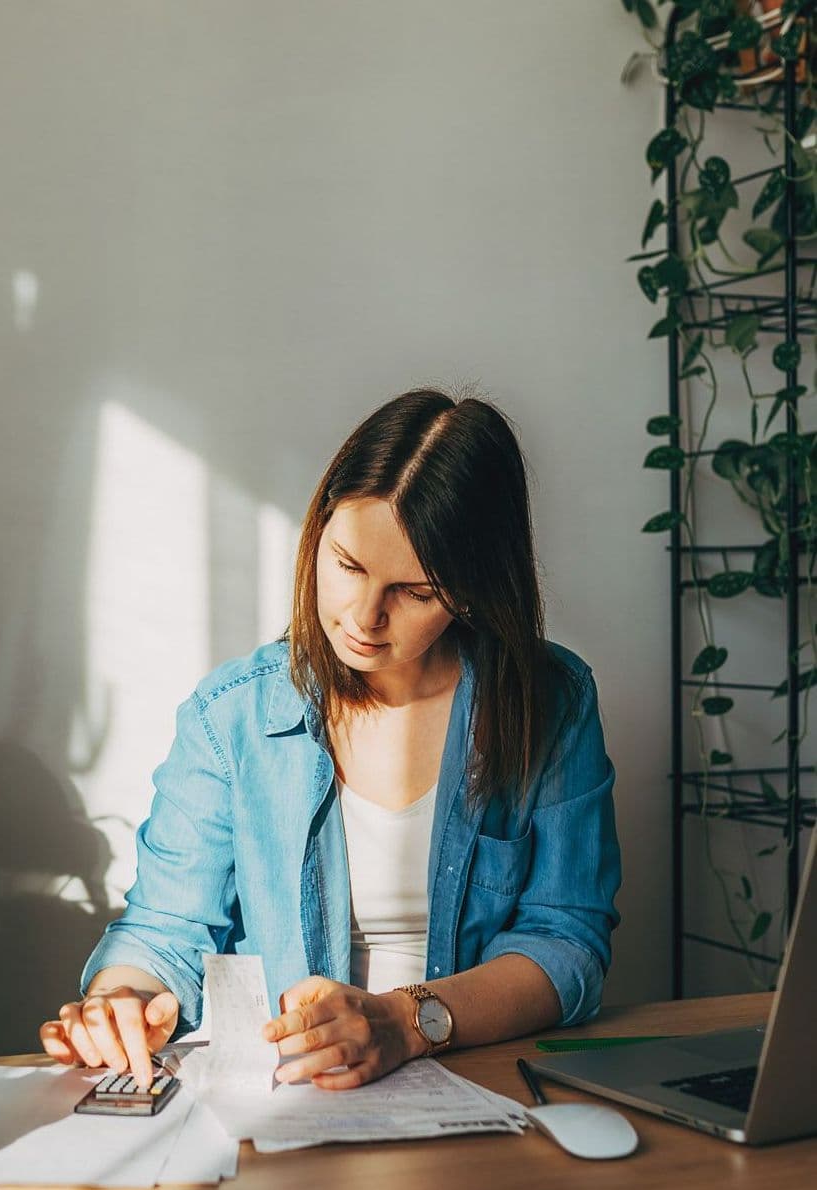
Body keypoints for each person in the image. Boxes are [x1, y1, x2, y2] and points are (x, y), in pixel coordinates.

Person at [39, 388, 622, 1093]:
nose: (365, 617)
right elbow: (166, 928)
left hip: (482, 1079)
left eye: (415, 591)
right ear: (317, 532)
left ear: (470, 590)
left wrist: (406, 1023)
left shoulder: (549, 702)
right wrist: (120, 1002)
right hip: (294, 1096)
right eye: (348, 566)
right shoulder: (233, 716)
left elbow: (566, 941)